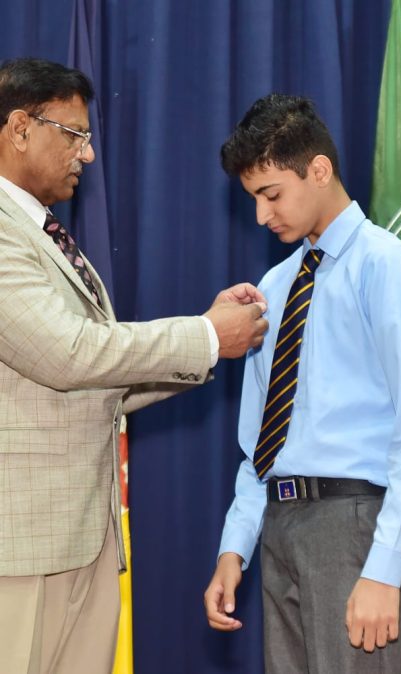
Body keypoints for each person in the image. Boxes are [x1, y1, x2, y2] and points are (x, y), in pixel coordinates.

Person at [0, 57, 268, 674]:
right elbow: (69, 353)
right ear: (19, 128)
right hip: (20, 551)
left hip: (82, 542)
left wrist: (207, 341)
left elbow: (100, 384)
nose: (88, 154)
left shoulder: (42, 231)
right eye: (75, 135)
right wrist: (205, 336)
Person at [203, 93, 401, 674]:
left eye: (271, 195)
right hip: (280, 524)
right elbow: (262, 438)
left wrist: (385, 565)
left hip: (355, 523)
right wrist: (236, 544)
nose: (261, 216)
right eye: (253, 199)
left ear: (318, 169)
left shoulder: (385, 264)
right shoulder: (276, 283)